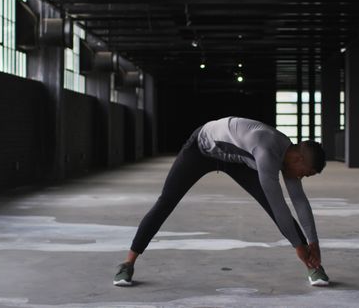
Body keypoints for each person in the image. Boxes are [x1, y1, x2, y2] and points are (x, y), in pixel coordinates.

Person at [113, 116, 329, 287]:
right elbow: (280, 206)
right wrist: (299, 245)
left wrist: (313, 242)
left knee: (274, 210)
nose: (300, 177)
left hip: (237, 160)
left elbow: (299, 201)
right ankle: (128, 263)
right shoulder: (266, 153)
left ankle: (312, 266)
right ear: (299, 159)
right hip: (202, 149)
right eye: (305, 173)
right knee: (166, 202)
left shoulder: (289, 152)